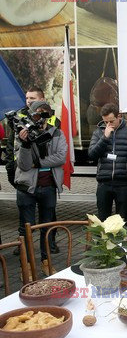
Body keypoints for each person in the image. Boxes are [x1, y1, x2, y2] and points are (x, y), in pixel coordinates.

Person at [5, 86, 61, 254]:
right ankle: (23, 247)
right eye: (27, 98)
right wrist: (11, 170)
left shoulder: (52, 119)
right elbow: (11, 147)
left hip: (44, 177)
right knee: (25, 220)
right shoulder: (19, 117)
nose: (29, 101)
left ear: (42, 98)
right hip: (23, 174)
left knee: (48, 217)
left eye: (33, 98)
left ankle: (50, 243)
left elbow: (58, 149)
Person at [14, 101, 66, 276]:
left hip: (48, 187)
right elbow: (24, 165)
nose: (41, 117)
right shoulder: (21, 134)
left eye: (45, 113)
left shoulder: (57, 133)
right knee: (26, 228)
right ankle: (26, 266)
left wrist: (39, 163)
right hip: (26, 188)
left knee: (47, 228)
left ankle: (46, 262)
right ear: (31, 115)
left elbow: (60, 157)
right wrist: (26, 144)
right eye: (38, 113)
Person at [88, 103, 127, 225]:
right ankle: (104, 243)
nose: (108, 124)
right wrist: (105, 138)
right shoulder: (98, 133)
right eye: (105, 122)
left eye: (111, 121)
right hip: (104, 183)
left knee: (122, 219)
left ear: (119, 116)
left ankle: (122, 244)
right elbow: (92, 154)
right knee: (103, 219)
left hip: (123, 184)